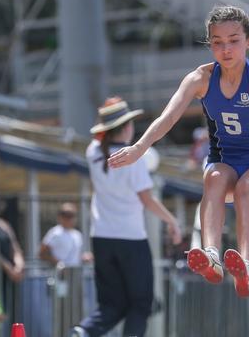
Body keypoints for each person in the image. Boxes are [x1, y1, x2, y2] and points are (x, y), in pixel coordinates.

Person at [108, 5, 249, 298]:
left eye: (233, 40)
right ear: (210, 45)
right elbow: (168, 117)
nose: (226, 49)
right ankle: (211, 256)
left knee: (244, 191)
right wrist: (139, 148)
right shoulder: (200, 79)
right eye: (217, 42)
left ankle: (248, 267)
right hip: (224, 162)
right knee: (213, 178)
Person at [72, 97, 182, 337]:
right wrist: (172, 221)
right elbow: (147, 200)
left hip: (101, 237)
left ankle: (81, 333)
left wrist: (105, 116)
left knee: (111, 305)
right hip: (131, 239)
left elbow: (98, 138)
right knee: (141, 303)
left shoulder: (92, 152)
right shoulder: (134, 160)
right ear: (125, 127)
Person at [39, 202, 92, 267]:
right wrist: (58, 263)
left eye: (71, 215)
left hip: (75, 273)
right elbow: (42, 253)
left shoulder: (78, 235)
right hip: (58, 274)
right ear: (60, 216)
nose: (68, 218)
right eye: (65, 215)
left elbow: (75, 256)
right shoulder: (55, 232)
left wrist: (84, 257)